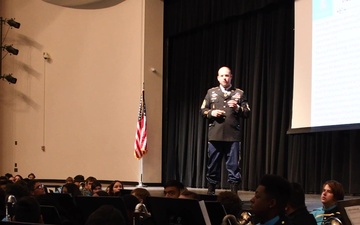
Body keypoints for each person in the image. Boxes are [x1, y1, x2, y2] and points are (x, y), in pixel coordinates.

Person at [200, 66, 250, 195]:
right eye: (222, 76)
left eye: (227, 75)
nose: (224, 78)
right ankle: (211, 191)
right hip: (215, 134)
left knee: (233, 166)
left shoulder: (239, 93)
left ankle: (234, 194)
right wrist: (212, 112)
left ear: (231, 77)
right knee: (213, 165)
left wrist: (238, 107)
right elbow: (202, 110)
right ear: (218, 78)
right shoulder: (211, 93)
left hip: (232, 135)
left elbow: (247, 112)